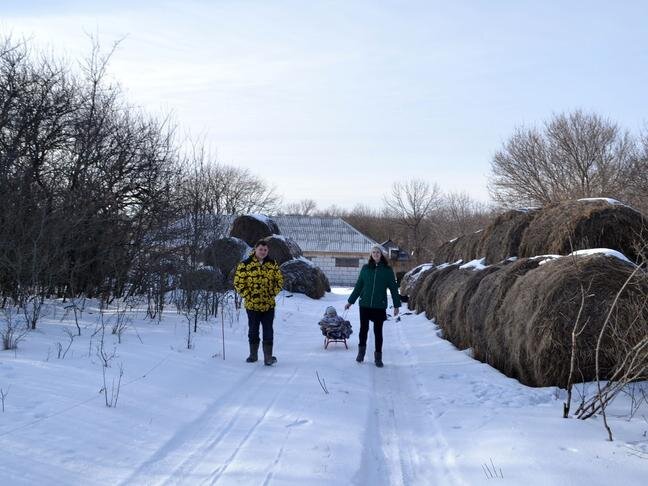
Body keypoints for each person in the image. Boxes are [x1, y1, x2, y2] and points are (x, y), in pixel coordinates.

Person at [345, 245, 401, 367]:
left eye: (378, 252)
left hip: (379, 306)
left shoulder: (387, 270)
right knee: (363, 330)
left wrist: (396, 305)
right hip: (364, 304)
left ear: (381, 254)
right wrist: (350, 301)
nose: (375, 254)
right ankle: (361, 354)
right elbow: (359, 286)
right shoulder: (365, 269)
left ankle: (378, 357)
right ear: (371, 254)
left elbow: (393, 289)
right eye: (373, 252)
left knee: (378, 332)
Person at [234, 239, 284, 366]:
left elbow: (279, 281)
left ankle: (268, 357)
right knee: (253, 330)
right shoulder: (245, 264)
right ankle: (253, 355)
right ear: (255, 249)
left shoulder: (272, 264)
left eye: (265, 250)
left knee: (268, 330)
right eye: (260, 249)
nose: (263, 252)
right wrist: (248, 295)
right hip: (252, 305)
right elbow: (238, 283)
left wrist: (272, 293)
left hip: (268, 305)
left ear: (268, 251)